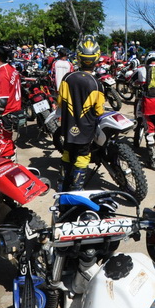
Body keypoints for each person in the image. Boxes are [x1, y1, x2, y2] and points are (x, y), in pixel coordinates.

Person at [56, 35, 104, 191]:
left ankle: (62, 185)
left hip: (68, 125)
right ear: (96, 58)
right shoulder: (96, 84)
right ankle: (77, 188)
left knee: (67, 153)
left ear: (78, 57)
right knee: (83, 156)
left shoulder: (68, 77)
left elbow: (60, 101)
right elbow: (99, 110)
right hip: (86, 127)